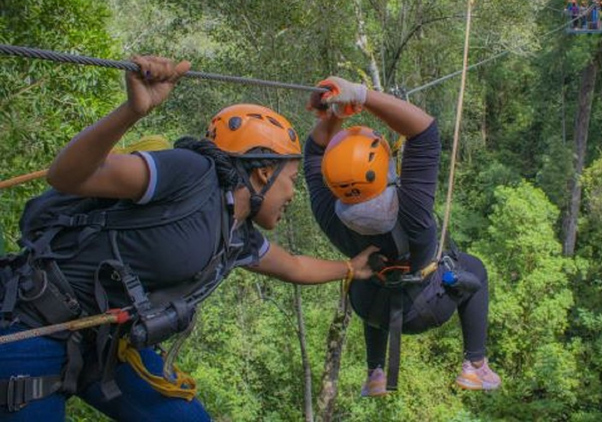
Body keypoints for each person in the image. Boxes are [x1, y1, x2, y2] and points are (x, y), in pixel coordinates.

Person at [0, 56, 375, 421]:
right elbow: (69, 176)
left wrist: (349, 268)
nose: (293, 194)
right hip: (32, 326)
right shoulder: (192, 175)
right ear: (263, 171)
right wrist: (133, 110)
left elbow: (294, 266)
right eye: (292, 180)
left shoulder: (236, 236)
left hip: (107, 346)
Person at [304, 77, 500, 397]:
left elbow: (313, 152)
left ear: (329, 176)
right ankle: (475, 365)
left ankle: (375, 372)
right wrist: (361, 97)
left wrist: (335, 114)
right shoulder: (410, 207)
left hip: (374, 310)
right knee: (474, 267)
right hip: (428, 308)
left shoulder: (327, 211)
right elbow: (424, 130)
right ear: (384, 169)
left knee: (367, 272)